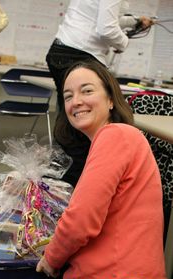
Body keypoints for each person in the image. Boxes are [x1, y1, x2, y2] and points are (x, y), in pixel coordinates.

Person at [0, 61, 169, 279]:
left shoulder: (116, 136)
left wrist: (50, 260)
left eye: (86, 91)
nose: (76, 101)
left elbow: (80, 221)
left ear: (111, 99)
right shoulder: (109, 142)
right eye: (67, 96)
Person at [46, 0, 154, 187]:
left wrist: (135, 21)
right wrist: (123, 42)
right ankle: (73, 186)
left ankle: (60, 182)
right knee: (84, 126)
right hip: (80, 52)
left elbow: (105, 17)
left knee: (70, 119)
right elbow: (106, 29)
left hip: (63, 49)